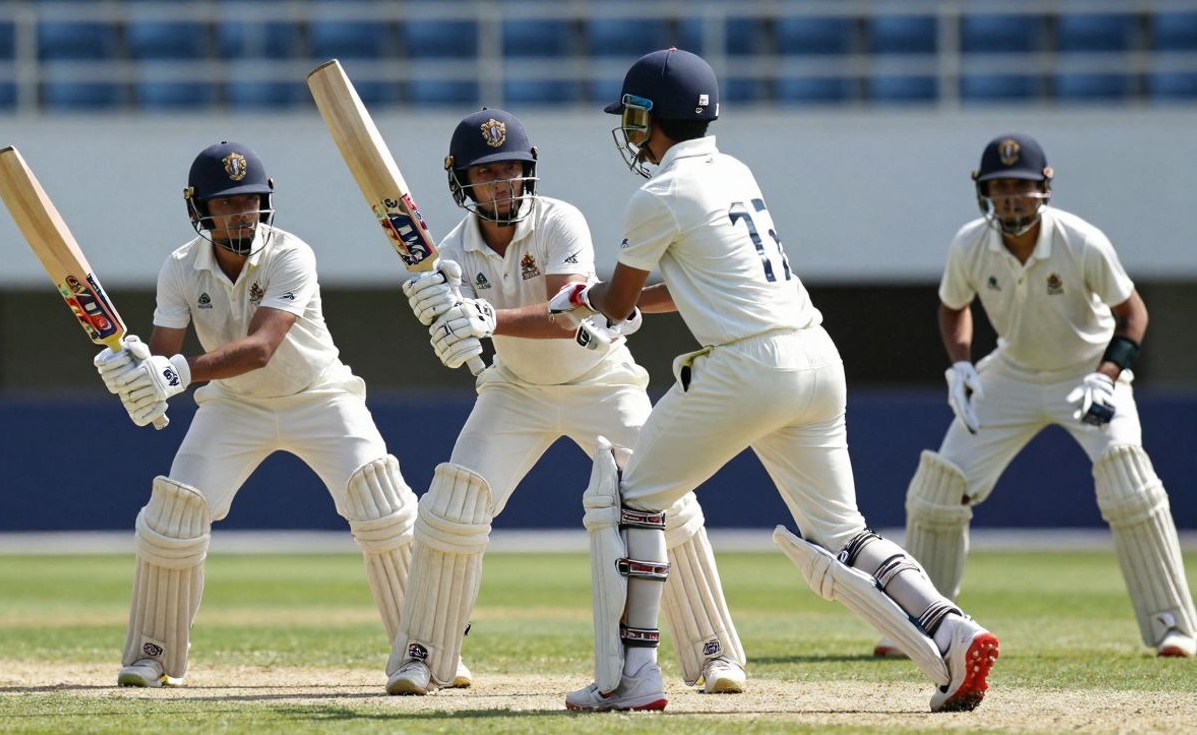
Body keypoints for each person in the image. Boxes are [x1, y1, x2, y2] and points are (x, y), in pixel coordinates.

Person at [552, 48, 999, 713]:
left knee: (633, 498)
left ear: (653, 116)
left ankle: (633, 676)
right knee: (844, 533)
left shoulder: (659, 194)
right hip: (815, 355)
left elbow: (617, 304)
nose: (631, 130)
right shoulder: (734, 170)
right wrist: (609, 302)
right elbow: (690, 282)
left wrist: (581, 300)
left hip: (748, 367)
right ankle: (950, 627)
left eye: (635, 116)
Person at [383, 108, 748, 696]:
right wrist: (445, 326)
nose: (502, 182)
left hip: (600, 379)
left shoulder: (560, 221)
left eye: (511, 168)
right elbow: (460, 333)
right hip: (515, 391)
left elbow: (568, 314)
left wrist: (485, 318)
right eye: (487, 172)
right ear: (463, 182)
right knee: (453, 505)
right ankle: (422, 656)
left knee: (667, 503)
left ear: (529, 172)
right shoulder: (451, 251)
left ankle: (714, 653)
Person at [93, 141, 418, 687]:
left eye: (249, 201)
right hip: (234, 405)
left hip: (319, 395)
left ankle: (423, 650)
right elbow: (163, 352)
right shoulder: (179, 268)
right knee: (173, 515)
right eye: (226, 204)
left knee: (380, 505)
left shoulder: (292, 254)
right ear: (201, 211)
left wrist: (173, 375)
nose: (241, 213)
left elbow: (262, 346)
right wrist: (133, 371)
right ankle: (153, 652)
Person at [873, 134, 1195, 660]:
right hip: (1012, 374)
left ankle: (1173, 627)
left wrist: (1109, 373)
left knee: (1128, 481)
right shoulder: (970, 244)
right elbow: (954, 306)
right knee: (938, 487)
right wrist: (959, 367)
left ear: (1043, 189)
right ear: (984, 193)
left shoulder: (1081, 240)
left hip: (1088, 375)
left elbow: (1133, 313)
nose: (1010, 200)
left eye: (1020, 188)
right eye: (999, 189)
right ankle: (920, 625)